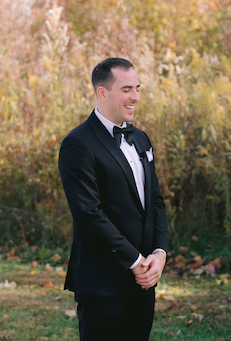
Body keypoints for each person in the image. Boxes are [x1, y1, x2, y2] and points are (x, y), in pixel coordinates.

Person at [58, 57, 169, 341]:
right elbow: (89, 214)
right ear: (102, 93)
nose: (135, 97)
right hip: (102, 284)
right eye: (126, 89)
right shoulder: (78, 144)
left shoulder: (141, 139)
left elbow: (155, 202)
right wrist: (136, 262)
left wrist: (159, 254)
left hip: (144, 282)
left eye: (137, 88)